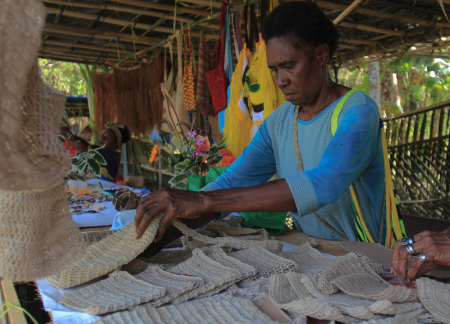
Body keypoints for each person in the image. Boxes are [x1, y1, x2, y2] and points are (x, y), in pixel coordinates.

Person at [134, 2, 386, 250]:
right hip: (312, 249)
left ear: (321, 55)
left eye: (288, 66)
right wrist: (156, 236)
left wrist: (202, 199)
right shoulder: (278, 122)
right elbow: (232, 183)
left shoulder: (357, 111)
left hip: (368, 256)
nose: (280, 80)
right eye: (274, 70)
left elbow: (325, 184)